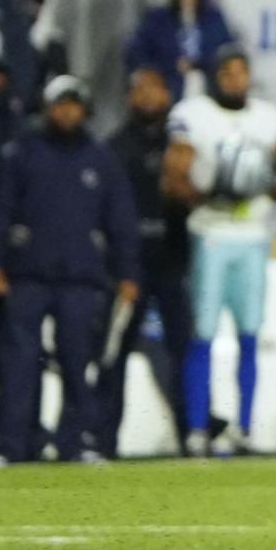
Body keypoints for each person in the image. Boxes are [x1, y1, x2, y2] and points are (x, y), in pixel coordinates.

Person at [0, 76, 139, 465]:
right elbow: (0, 212)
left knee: (77, 363)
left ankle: (74, 442)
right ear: (47, 108)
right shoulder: (23, 153)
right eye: (60, 104)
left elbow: (120, 219)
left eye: (74, 104)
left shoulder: (100, 158)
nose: (67, 112)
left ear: (84, 110)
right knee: (19, 365)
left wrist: (128, 272)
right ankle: (13, 444)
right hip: (29, 274)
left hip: (81, 277)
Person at [163, 45, 276, 456]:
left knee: (250, 335)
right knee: (203, 335)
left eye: (241, 73)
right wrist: (209, 194)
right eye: (228, 73)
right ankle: (198, 429)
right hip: (211, 231)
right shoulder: (195, 115)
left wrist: (257, 181)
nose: (235, 80)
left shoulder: (267, 118)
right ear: (216, 76)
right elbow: (173, 177)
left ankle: (245, 428)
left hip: (252, 233)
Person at [97, 67, 192, 456]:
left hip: (172, 261)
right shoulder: (115, 148)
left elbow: (194, 203)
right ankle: (105, 440)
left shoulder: (183, 144)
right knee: (114, 356)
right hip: (129, 267)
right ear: (130, 97)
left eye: (157, 88)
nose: (150, 97)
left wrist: (185, 186)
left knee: (181, 352)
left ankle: (191, 435)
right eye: (142, 90)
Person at [28, 0, 157, 139]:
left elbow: (155, 33)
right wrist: (61, 66)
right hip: (79, 78)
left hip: (123, 82)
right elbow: (45, 33)